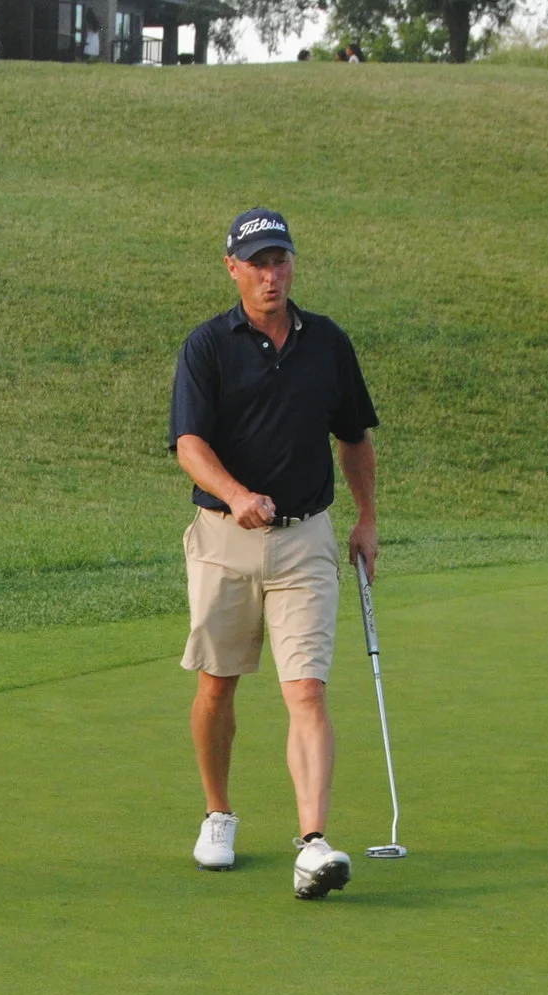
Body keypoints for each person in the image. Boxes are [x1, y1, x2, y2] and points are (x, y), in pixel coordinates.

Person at [168, 209, 379, 899]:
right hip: (225, 540)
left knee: (308, 690)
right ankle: (218, 813)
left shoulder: (328, 343)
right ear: (232, 268)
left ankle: (313, 844)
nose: (271, 273)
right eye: (257, 262)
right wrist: (234, 494)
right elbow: (189, 446)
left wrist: (367, 518)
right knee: (216, 685)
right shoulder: (207, 347)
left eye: (280, 259)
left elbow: (353, 435)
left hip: (307, 539)